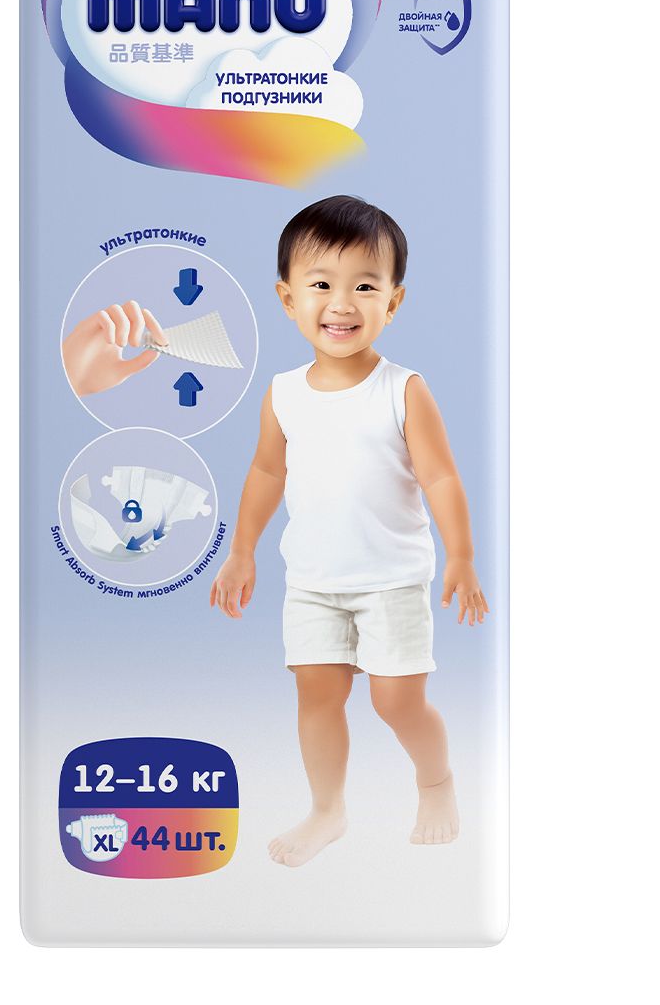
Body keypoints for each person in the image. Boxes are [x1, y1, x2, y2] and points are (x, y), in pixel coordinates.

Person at [211, 194, 488, 866]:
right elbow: (266, 472)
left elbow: (441, 478)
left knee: (396, 701)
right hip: (312, 580)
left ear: (393, 301)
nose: (342, 303)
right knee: (317, 694)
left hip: (390, 579)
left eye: (365, 286)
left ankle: (436, 781)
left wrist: (461, 556)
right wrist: (242, 550)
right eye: (321, 285)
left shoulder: (403, 389)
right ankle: (327, 810)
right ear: (287, 298)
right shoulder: (283, 392)